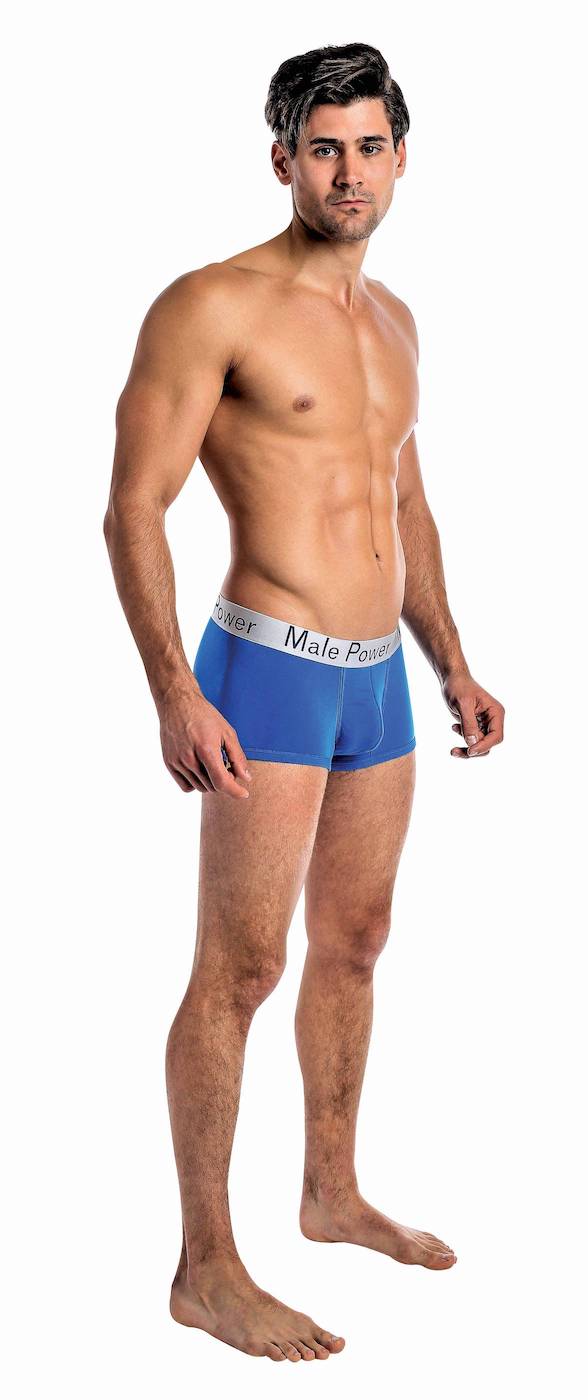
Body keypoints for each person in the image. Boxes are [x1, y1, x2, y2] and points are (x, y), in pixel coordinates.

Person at [103, 41, 505, 1363]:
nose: (348, 171)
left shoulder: (395, 323)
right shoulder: (211, 304)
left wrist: (451, 660)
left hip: (377, 680)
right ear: (283, 158)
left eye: (369, 146)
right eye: (324, 147)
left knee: (357, 942)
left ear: (401, 158)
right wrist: (173, 692)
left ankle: (330, 1192)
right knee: (242, 967)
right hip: (264, 667)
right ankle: (207, 1268)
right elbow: (133, 507)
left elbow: (404, 502)